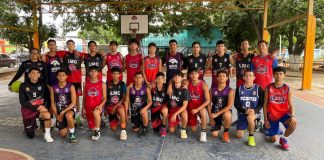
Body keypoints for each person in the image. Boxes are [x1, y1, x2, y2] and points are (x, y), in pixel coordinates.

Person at [263, 66, 297, 150]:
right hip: (272, 115)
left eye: (281, 74)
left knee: (294, 123)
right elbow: (265, 105)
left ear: (284, 75)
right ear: (273, 75)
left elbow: (291, 104)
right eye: (276, 74)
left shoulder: (287, 88)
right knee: (273, 140)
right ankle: (275, 130)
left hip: (284, 114)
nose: (279, 76)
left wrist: (292, 116)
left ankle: (283, 138)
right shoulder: (268, 88)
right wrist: (266, 120)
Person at [19, 67, 53, 142]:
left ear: (39, 75)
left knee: (47, 115)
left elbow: (48, 98)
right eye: (33, 73)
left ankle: (47, 134)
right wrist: (37, 107)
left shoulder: (43, 85)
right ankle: (31, 124)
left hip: (40, 109)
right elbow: (22, 102)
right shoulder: (23, 86)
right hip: (28, 110)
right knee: (30, 135)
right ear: (29, 75)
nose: (35, 74)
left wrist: (46, 107)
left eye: (37, 73)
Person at [234, 70, 264, 147]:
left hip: (254, 112)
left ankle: (251, 136)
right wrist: (245, 111)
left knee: (250, 118)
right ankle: (250, 125)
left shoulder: (258, 88)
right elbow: (236, 104)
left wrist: (254, 110)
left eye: (250, 76)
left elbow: (261, 103)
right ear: (243, 77)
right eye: (246, 76)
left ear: (254, 78)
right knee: (239, 135)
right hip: (243, 113)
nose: (248, 77)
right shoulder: (239, 88)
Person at [50, 69, 77, 143]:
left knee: (68, 115)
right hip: (59, 109)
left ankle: (72, 133)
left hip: (69, 108)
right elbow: (52, 103)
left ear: (66, 76)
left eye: (63, 75)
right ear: (57, 77)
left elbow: (74, 102)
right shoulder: (53, 88)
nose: (61, 77)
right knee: (63, 134)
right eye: (59, 75)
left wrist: (63, 112)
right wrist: (56, 115)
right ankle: (72, 123)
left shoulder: (71, 86)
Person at [208, 70, 234, 143]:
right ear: (217, 78)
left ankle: (226, 132)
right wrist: (211, 117)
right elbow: (208, 104)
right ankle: (219, 125)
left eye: (223, 76)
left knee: (227, 115)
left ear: (227, 78)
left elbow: (229, 106)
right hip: (215, 112)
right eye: (219, 76)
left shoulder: (230, 90)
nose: (221, 77)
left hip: (224, 112)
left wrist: (217, 114)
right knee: (214, 134)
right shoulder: (212, 90)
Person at [82, 66, 107, 141]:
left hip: (98, 107)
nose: (93, 73)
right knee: (92, 127)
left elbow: (105, 98)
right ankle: (98, 124)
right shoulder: (85, 83)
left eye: (95, 71)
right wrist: (83, 108)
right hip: (88, 107)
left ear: (98, 73)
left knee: (96, 113)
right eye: (92, 71)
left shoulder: (102, 84)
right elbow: (84, 97)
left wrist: (100, 106)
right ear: (89, 73)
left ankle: (97, 132)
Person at [124, 71, 152, 137]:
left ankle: (145, 127)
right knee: (135, 130)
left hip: (143, 110)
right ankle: (141, 122)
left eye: (140, 78)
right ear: (134, 78)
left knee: (143, 112)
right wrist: (126, 113)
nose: (138, 79)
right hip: (134, 111)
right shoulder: (130, 88)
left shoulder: (146, 88)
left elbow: (150, 101)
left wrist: (145, 108)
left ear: (143, 79)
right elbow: (126, 101)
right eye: (137, 78)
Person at [187, 68, 210, 142]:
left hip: (200, 107)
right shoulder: (187, 83)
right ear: (189, 75)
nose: (194, 75)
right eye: (192, 74)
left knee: (203, 112)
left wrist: (197, 109)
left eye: (195, 73)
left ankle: (203, 132)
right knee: (194, 130)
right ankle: (197, 119)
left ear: (198, 74)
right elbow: (175, 80)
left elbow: (208, 100)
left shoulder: (203, 84)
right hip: (191, 107)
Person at [61, 40, 84, 112]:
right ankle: (69, 113)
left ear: (74, 45)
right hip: (68, 80)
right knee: (68, 97)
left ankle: (78, 115)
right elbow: (52, 52)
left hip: (77, 80)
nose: (70, 45)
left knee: (77, 98)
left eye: (72, 44)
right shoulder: (64, 54)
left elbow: (90, 55)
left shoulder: (79, 54)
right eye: (69, 44)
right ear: (67, 46)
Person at [105, 67, 127, 140]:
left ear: (120, 74)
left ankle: (123, 130)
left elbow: (123, 98)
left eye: (117, 74)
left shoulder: (122, 84)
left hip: (118, 105)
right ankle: (116, 118)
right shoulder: (108, 83)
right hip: (110, 106)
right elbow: (105, 97)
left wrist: (115, 107)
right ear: (111, 74)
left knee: (121, 109)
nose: (115, 75)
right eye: (114, 73)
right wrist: (105, 109)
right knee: (114, 128)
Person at [166, 71, 190, 139]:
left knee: (185, 113)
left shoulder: (185, 90)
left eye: (179, 77)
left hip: (180, 108)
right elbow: (167, 92)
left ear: (182, 78)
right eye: (175, 77)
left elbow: (184, 106)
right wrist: (170, 85)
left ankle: (183, 129)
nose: (177, 78)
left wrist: (175, 114)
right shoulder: (170, 87)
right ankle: (178, 121)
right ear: (173, 78)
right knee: (171, 131)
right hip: (172, 108)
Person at [150, 72, 168, 137]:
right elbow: (147, 87)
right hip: (154, 108)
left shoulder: (167, 87)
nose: (160, 80)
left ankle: (163, 128)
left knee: (165, 110)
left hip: (163, 106)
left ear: (164, 79)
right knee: (155, 129)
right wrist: (151, 84)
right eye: (158, 78)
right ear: (156, 79)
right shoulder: (152, 87)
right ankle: (160, 121)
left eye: (161, 78)